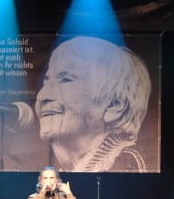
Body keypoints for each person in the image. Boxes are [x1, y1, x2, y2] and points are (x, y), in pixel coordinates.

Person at [35, 35, 153, 172]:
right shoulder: (64, 174)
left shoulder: (127, 167)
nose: (42, 95)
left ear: (115, 105)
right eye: (46, 82)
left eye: (66, 80)